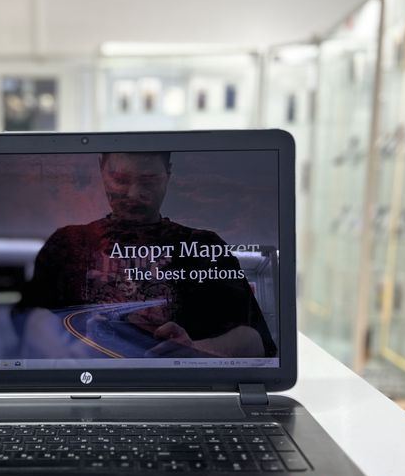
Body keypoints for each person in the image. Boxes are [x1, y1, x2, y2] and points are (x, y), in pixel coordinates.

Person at [16, 151, 277, 359]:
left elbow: (257, 343)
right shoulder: (67, 244)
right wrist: (67, 352)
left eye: (149, 181)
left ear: (168, 175)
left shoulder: (203, 246)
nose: (133, 194)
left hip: (175, 392)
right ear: (102, 170)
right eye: (120, 179)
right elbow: (29, 322)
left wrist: (195, 350)